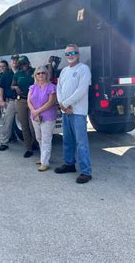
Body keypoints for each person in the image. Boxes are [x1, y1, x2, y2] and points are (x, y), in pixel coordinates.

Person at [55, 44, 93, 184]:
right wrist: (62, 104)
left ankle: (86, 172)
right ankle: (69, 164)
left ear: (78, 54)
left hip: (78, 112)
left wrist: (65, 104)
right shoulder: (64, 70)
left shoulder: (83, 69)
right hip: (66, 111)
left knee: (81, 142)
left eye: (73, 53)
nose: (70, 56)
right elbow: (58, 88)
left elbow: (81, 90)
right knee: (67, 140)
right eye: (67, 54)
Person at [27, 66, 58, 171]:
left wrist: (37, 111)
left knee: (46, 139)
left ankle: (45, 162)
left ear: (47, 74)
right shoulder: (32, 87)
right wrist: (34, 112)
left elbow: (51, 102)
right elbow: (29, 101)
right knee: (39, 138)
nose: (41, 75)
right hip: (35, 117)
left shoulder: (51, 87)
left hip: (47, 117)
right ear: (35, 75)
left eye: (43, 73)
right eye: (38, 73)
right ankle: (43, 157)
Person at [11, 55, 36, 158]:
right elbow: (12, 85)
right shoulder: (17, 74)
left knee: (33, 126)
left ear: (28, 63)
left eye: (24, 63)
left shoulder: (34, 71)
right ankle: (28, 148)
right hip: (21, 100)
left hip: (33, 101)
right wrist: (16, 87)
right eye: (21, 64)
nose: (23, 65)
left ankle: (34, 143)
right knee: (24, 126)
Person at [0, 60, 17, 151]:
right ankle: (4, 142)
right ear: (11, 63)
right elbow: (0, 88)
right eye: (13, 62)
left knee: (27, 124)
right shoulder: (5, 75)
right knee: (7, 122)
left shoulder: (21, 73)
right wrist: (1, 100)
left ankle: (31, 144)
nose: (2, 68)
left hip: (22, 100)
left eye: (3, 66)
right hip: (10, 101)